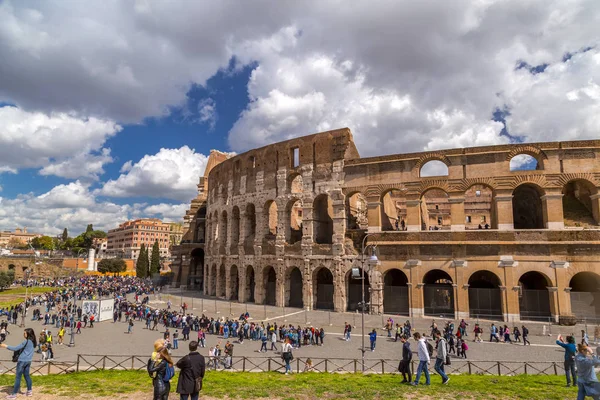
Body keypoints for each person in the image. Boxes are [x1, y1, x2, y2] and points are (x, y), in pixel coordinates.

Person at [1, 328, 37, 399]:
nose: (24, 334)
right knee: (27, 376)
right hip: (28, 361)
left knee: (18, 378)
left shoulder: (26, 341)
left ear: (28, 334)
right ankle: (29, 391)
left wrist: (5, 346)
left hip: (22, 361)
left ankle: (14, 395)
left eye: (25, 333)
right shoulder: (33, 342)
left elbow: (15, 348)